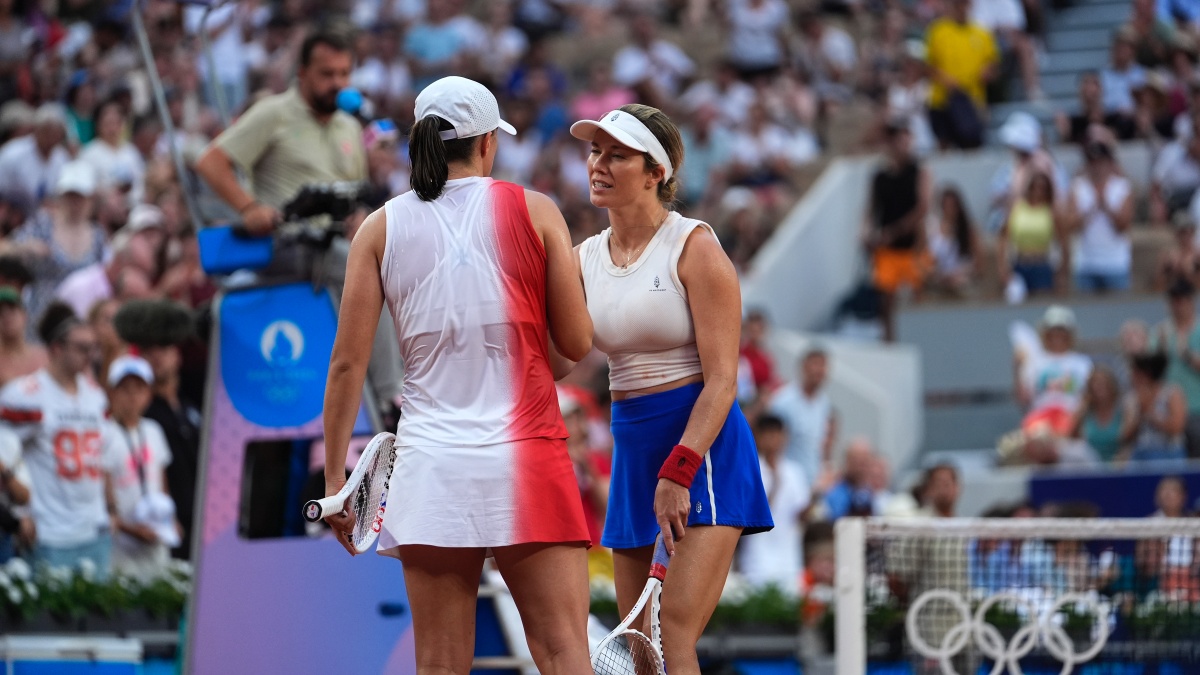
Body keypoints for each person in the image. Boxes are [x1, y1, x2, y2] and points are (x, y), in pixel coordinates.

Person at [319, 76, 595, 675]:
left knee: (440, 666)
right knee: (563, 653)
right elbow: (575, 344)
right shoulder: (537, 210)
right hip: (527, 454)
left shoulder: (380, 227)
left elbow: (346, 365)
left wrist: (338, 480)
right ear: (487, 143)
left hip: (433, 466)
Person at [570, 103, 773, 674]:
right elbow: (557, 356)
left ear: (655, 172)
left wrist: (679, 469)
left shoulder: (695, 247)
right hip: (633, 450)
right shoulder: (583, 258)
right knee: (640, 648)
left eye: (617, 155)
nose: (598, 164)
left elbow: (724, 380)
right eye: (595, 152)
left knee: (670, 633)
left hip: (700, 452)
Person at [195, 29, 366, 236]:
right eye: (327, 74)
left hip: (340, 244)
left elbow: (357, 192)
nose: (337, 83)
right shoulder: (274, 113)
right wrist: (249, 208)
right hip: (286, 243)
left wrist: (360, 217)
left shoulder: (350, 126)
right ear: (302, 72)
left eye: (344, 74)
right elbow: (211, 162)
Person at [0, 302, 113, 577]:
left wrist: (110, 509)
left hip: (94, 528)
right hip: (50, 531)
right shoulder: (25, 394)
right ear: (56, 348)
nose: (90, 356)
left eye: (93, 348)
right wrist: (18, 512)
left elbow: (102, 456)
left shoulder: (95, 395)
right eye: (82, 348)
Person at [113, 299, 202, 559]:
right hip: (164, 525)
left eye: (164, 347)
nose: (157, 355)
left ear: (177, 354)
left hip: (201, 518)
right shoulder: (141, 413)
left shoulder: (191, 405)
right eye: (148, 349)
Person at [102, 354, 178, 579]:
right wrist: (128, 528)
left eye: (139, 389)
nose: (132, 396)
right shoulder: (104, 433)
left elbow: (162, 480)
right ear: (111, 393)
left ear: (149, 395)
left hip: (155, 537)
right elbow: (104, 489)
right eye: (124, 389)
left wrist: (170, 519)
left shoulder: (154, 430)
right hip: (121, 544)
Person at [863, 120, 931, 342]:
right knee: (886, 299)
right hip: (887, 249)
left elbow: (922, 207)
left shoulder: (919, 172)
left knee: (918, 296)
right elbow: (870, 209)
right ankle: (889, 340)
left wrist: (895, 231)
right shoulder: (880, 177)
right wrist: (867, 233)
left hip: (912, 246)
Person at [738, 414, 810, 595]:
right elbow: (752, 513)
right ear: (759, 436)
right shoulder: (749, 469)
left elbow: (802, 515)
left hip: (789, 555)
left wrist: (818, 493)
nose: (774, 440)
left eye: (778, 434)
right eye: (769, 434)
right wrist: (775, 485)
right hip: (757, 556)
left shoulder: (794, 471)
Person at [1067, 137, 1134, 293]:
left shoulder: (1122, 187)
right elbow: (1070, 225)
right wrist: (1092, 209)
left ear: (1109, 162)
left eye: (1100, 162)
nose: (1096, 167)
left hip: (1115, 264)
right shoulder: (1077, 187)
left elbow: (1123, 225)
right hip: (1086, 263)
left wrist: (1105, 205)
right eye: (1092, 162)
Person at [768, 347, 836, 489]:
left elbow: (822, 443)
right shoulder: (783, 401)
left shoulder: (823, 403)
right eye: (815, 364)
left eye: (823, 366)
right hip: (787, 484)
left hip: (814, 484)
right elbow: (771, 445)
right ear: (803, 367)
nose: (820, 370)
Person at [997, 171, 1067, 296]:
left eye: (1042, 188)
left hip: (1041, 265)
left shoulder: (1051, 211)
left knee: (1041, 301)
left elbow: (1063, 242)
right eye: (1035, 187)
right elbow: (1003, 237)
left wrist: (1062, 272)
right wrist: (1003, 268)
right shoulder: (1017, 208)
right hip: (1019, 264)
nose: (1038, 191)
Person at [1120, 351, 1187, 464]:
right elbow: (1125, 435)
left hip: (1169, 453)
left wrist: (1151, 415)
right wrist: (1139, 415)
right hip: (1141, 453)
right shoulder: (1132, 398)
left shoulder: (1172, 393)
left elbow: (1177, 427)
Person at [1069, 366, 1125, 463]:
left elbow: (1127, 439)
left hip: (1117, 463)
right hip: (1089, 465)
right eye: (1095, 383)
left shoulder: (1123, 411)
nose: (1099, 387)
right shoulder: (1085, 412)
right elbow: (1071, 437)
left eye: (1103, 383)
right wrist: (1083, 406)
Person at [0, 285, 46, 387]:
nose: (6, 315)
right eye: (0, 312)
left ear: (24, 315)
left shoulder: (44, 357)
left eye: (12, 309)